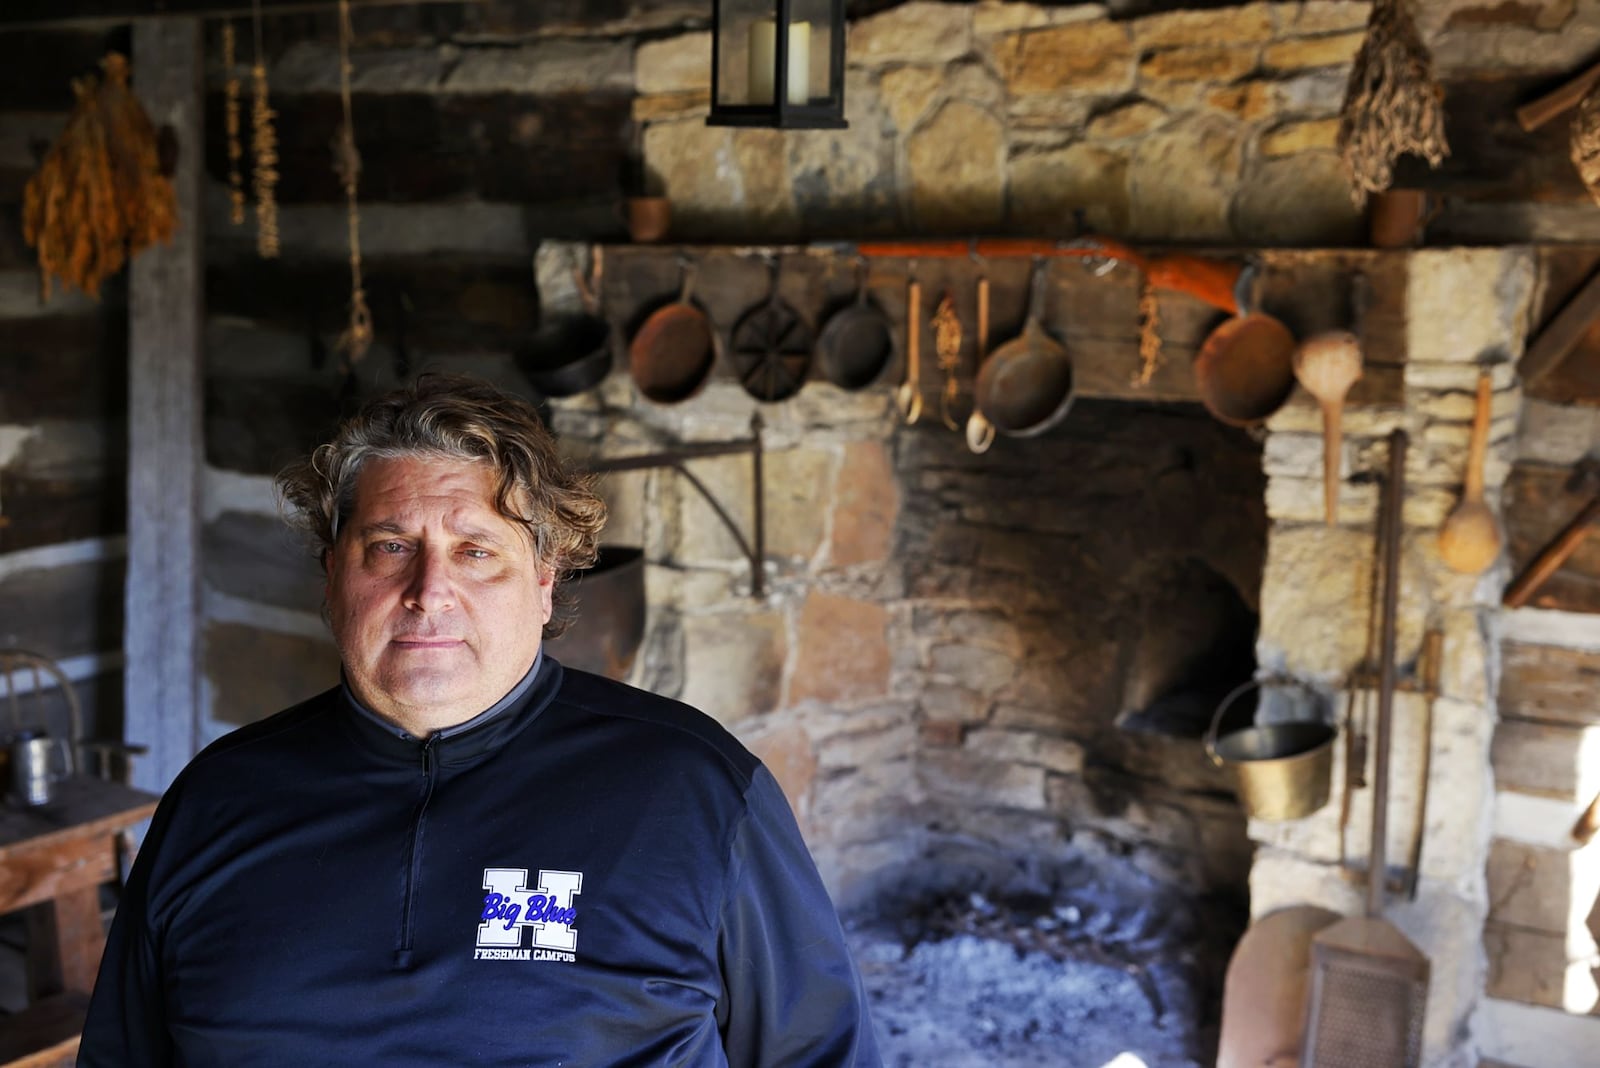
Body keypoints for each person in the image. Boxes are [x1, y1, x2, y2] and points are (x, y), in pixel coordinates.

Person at [80, 373, 882, 1066]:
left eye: (476, 552)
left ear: (545, 579)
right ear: (333, 577)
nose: (430, 592)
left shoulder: (693, 789)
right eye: (390, 546)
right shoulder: (218, 800)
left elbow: (821, 1053)